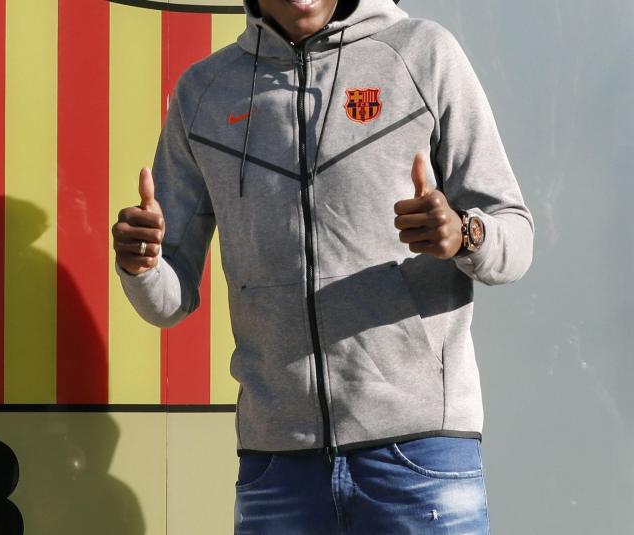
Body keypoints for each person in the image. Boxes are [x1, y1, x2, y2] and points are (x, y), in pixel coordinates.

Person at [112, 0, 533, 532]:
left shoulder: (423, 53)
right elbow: (169, 300)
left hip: (418, 453)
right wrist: (141, 265)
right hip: (277, 464)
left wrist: (464, 234)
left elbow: (515, 238)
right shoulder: (205, 91)